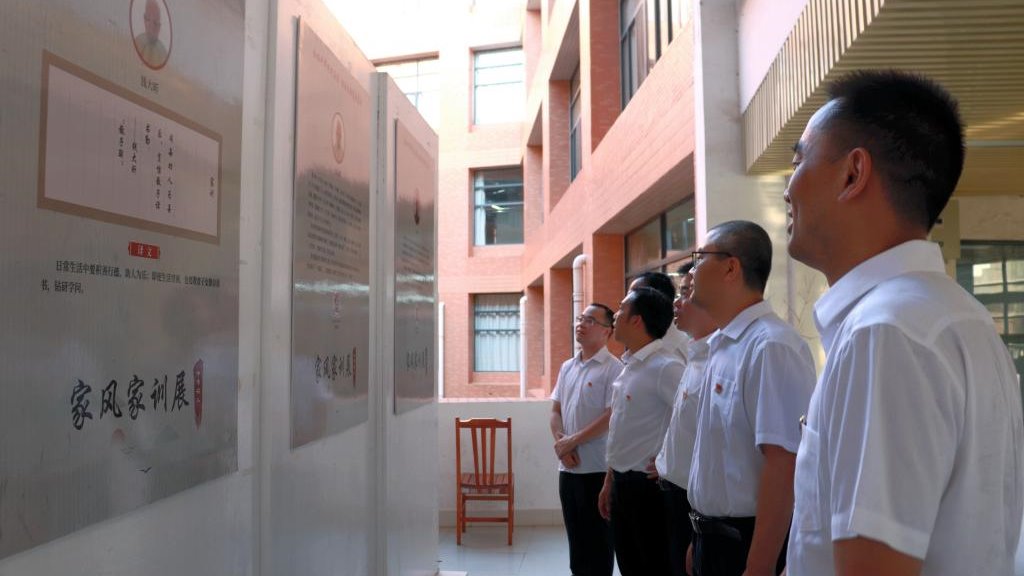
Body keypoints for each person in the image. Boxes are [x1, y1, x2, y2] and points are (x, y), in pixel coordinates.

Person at [783, 70, 1024, 575]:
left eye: (799, 160)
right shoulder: (957, 316)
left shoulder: (885, 333)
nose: (789, 187)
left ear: (853, 174)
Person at [686, 220, 815, 576]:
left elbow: (784, 464)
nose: (691, 271)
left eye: (700, 258)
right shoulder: (724, 344)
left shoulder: (771, 346)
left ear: (731, 267)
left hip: (746, 545)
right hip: (712, 537)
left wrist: (759, 564)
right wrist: (700, 535)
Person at [598, 287, 685, 575]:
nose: (615, 316)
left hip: (649, 490)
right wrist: (609, 480)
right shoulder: (630, 365)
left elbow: (693, 421)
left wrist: (668, 462)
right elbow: (621, 430)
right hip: (622, 484)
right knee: (629, 565)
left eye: (621, 310)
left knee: (653, 566)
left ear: (637, 320)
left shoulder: (666, 367)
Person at [650, 263, 718, 576]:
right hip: (676, 493)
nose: (677, 302)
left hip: (696, 502)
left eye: (687, 292)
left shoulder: (717, 358)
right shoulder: (696, 353)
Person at [550, 303, 622, 576]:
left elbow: (610, 416)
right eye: (581, 318)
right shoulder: (568, 367)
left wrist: (572, 442)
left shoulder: (614, 368)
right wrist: (562, 445)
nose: (581, 324)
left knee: (599, 546)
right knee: (577, 545)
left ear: (607, 331)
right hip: (568, 469)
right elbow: (555, 410)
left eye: (590, 320)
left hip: (597, 470)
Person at [631, 271, 690, 361]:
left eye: (633, 296)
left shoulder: (672, 352)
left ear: (655, 300)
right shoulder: (646, 341)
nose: (626, 301)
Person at [134, 0, 168, 68]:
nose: (152, 26)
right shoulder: (138, 42)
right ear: (144, 20)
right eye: (149, 19)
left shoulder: (163, 52)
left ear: (159, 26)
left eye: (156, 22)